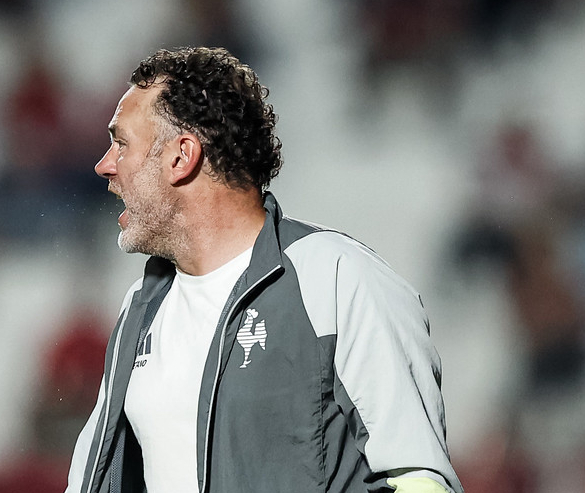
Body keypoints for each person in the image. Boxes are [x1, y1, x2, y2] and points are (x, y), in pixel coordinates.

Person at [65, 46, 464, 493]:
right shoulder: (141, 310)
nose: (104, 165)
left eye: (121, 143)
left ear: (182, 156)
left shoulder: (336, 277)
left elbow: (418, 481)